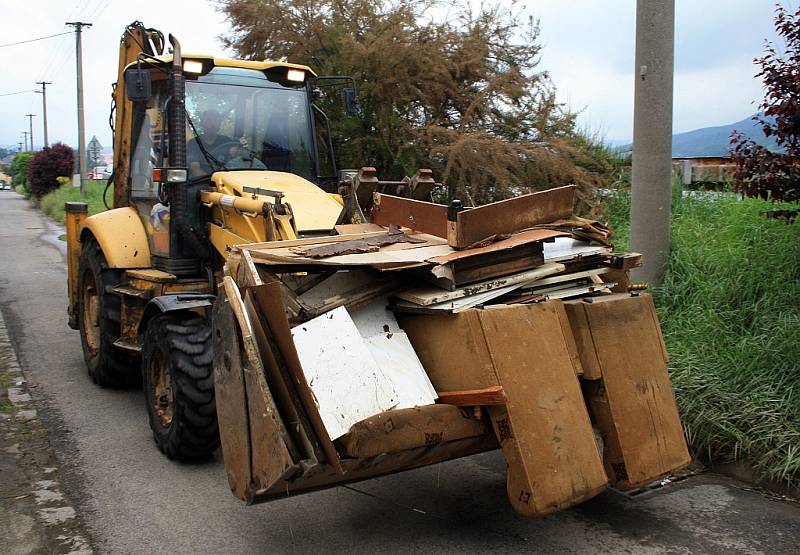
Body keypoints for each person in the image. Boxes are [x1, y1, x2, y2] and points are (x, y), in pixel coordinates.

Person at [187, 109, 234, 177]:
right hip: (200, 182)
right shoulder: (193, 143)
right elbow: (195, 169)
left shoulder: (227, 141)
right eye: (209, 121)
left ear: (219, 124)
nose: (212, 124)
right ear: (202, 123)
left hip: (225, 180)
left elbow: (234, 162)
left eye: (216, 121)